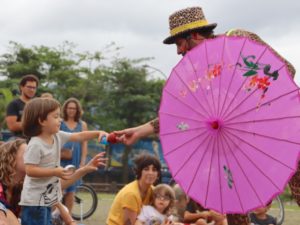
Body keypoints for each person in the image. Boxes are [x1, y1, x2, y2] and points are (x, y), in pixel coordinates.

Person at [114, 6, 299, 225]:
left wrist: (242, 95)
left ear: (194, 35)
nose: (178, 51)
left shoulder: (237, 40)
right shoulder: (199, 75)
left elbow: (286, 69)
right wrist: (138, 130)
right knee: (233, 204)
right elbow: (181, 117)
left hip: (286, 130)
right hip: (240, 142)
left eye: (179, 43)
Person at [19, 97, 108, 225]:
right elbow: (30, 170)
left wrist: (98, 133)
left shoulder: (57, 135)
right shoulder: (35, 144)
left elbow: (79, 136)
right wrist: (54, 171)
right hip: (34, 202)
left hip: (46, 200)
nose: (60, 119)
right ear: (41, 120)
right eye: (55, 116)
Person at [0, 139, 106, 225]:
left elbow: (57, 187)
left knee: (60, 209)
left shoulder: (25, 184)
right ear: (11, 159)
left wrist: (85, 169)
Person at [106, 152, 162, 225]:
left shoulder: (153, 190)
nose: (150, 173)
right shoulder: (131, 194)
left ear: (158, 174)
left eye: (154, 170)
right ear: (139, 171)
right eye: (146, 169)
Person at [60, 97, 88, 213]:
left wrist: (82, 162)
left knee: (71, 191)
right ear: (65, 109)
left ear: (78, 110)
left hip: (75, 161)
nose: (71, 110)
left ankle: (68, 217)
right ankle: (54, 216)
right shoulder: (60, 123)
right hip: (61, 160)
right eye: (69, 108)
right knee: (59, 189)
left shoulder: (82, 125)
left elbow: (84, 145)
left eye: (74, 108)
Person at [5, 74, 39, 139]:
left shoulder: (37, 104)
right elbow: (12, 126)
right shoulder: (14, 104)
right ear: (21, 87)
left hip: (36, 139)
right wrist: (33, 123)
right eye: (29, 87)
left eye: (34, 88)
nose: (32, 90)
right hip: (20, 140)